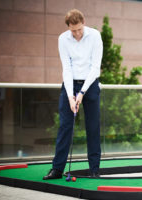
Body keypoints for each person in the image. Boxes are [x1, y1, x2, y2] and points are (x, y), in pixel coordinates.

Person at [43, 9, 103, 180]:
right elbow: (67, 68)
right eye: (73, 30)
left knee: (93, 128)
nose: (76, 33)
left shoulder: (95, 36)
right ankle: (57, 170)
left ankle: (94, 169)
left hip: (90, 84)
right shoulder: (63, 39)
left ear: (83, 22)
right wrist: (71, 96)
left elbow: (95, 68)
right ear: (68, 27)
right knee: (65, 127)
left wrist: (82, 92)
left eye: (79, 29)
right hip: (70, 85)